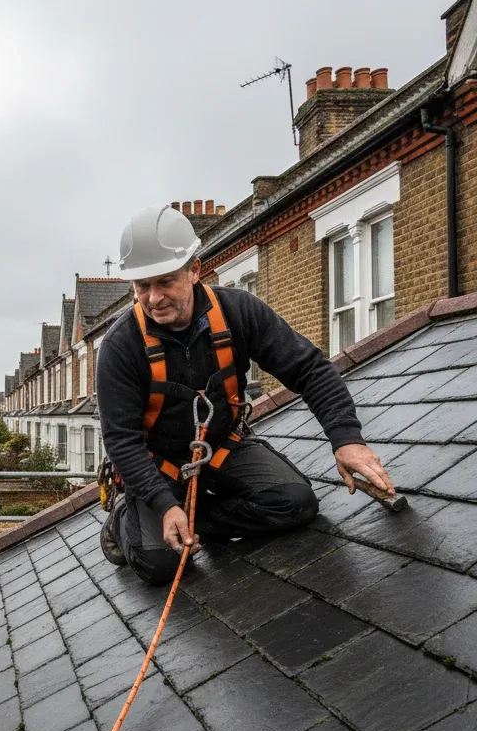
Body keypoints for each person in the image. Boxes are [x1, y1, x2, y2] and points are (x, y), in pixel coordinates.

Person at [97, 203, 394, 585]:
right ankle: (127, 520)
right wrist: (163, 504)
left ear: (195, 270)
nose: (154, 298)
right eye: (142, 286)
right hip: (156, 467)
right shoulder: (121, 346)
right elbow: (121, 441)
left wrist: (347, 439)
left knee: (296, 503)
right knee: (161, 565)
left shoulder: (238, 313)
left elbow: (310, 370)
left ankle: (194, 520)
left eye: (165, 281)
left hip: (220, 449)